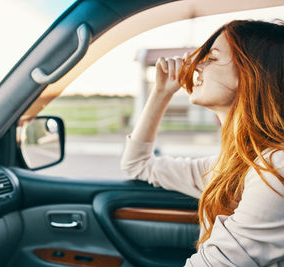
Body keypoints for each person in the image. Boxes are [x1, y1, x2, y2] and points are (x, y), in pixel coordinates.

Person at [121, 20, 284, 266]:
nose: (197, 65)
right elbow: (138, 164)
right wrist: (161, 93)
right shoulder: (230, 167)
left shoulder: (274, 169)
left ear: (253, 73)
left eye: (213, 58)